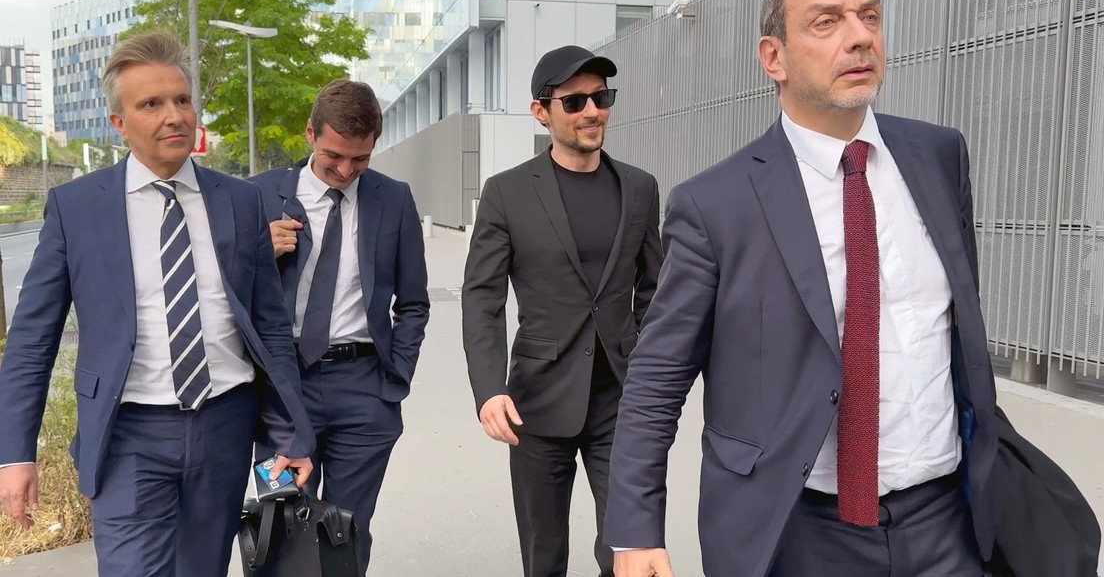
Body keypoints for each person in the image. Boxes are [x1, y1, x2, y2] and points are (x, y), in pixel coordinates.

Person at [604, 0, 1000, 576]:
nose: (860, 36)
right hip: (798, 528)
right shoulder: (716, 205)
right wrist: (634, 531)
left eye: (870, 16)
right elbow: (658, 376)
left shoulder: (939, 156)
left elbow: (956, 329)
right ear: (775, 58)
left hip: (946, 521)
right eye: (827, 22)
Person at [0, 31, 315, 576]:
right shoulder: (77, 208)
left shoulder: (241, 201)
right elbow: (32, 341)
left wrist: (292, 433)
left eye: (182, 100)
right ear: (118, 122)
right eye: (151, 104)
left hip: (224, 425)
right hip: (126, 435)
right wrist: (14, 453)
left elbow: (269, 328)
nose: (174, 116)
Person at [462, 45, 663, 577]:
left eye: (600, 97)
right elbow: (482, 298)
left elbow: (654, 288)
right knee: (544, 555)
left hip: (620, 400)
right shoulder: (506, 193)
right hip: (537, 402)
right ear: (541, 112)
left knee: (626, 549)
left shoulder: (640, 188)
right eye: (574, 102)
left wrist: (646, 364)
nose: (592, 111)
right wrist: (489, 389)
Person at [250, 78, 430, 574]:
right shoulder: (257, 196)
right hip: (281, 391)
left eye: (360, 159)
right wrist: (258, 253)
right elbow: (225, 294)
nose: (346, 170)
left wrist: (397, 376)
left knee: (345, 532)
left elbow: (413, 303)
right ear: (310, 133)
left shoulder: (394, 199)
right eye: (334, 156)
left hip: (364, 391)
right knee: (279, 520)